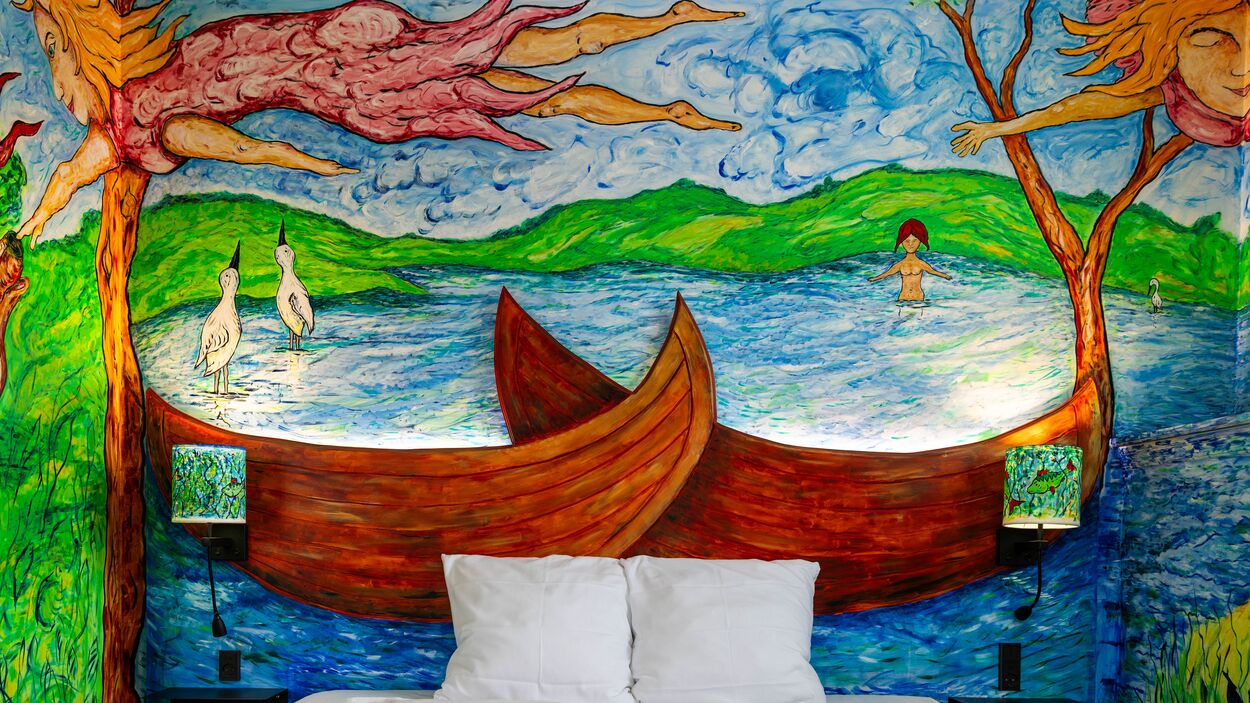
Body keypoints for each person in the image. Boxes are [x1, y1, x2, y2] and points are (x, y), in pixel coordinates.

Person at [12, 0, 744, 245]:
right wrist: (29, 225)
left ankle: (666, 91)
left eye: (53, 48)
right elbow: (71, 176)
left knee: (516, 83)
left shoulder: (147, 132)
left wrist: (313, 165)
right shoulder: (141, 108)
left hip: (346, 79)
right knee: (513, 57)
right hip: (341, 40)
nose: (58, 72)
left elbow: (254, 149)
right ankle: (669, 30)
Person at [951, 0, 1248, 156]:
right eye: (1210, 41)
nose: (1242, 67)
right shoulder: (1175, 90)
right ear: (1167, 51)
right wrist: (995, 129)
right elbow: (1070, 109)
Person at [868, 218, 951, 303]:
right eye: (907, 241)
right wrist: (874, 279)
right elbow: (887, 274)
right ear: (902, 242)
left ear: (920, 242)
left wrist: (946, 276)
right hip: (903, 298)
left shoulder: (921, 263)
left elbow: (932, 271)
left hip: (918, 298)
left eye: (915, 241)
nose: (910, 244)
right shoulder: (900, 264)